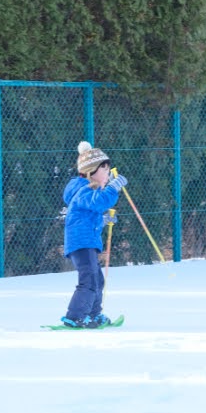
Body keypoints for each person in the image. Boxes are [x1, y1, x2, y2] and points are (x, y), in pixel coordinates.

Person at [60, 141, 128, 328]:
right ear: (91, 172)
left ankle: (93, 314)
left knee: (97, 279)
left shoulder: (88, 191)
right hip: (81, 243)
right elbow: (98, 203)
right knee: (89, 279)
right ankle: (75, 316)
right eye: (104, 171)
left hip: (85, 241)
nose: (107, 175)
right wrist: (113, 188)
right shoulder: (85, 190)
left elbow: (88, 216)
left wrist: (103, 220)